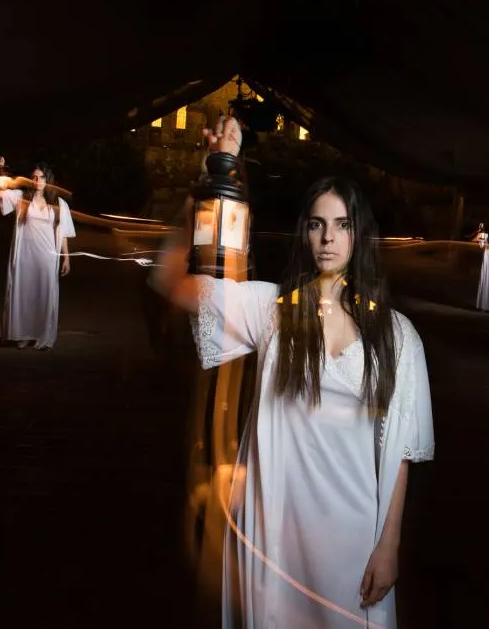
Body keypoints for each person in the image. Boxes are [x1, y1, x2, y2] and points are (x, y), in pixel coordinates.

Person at [149, 117, 435, 628]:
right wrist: (210, 187)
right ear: (304, 233)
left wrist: (388, 545)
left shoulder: (397, 337)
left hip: (353, 539)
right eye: (317, 223)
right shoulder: (272, 312)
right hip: (278, 533)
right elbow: (173, 281)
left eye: (342, 224)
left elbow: (401, 454)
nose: (328, 237)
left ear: (359, 235)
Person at [0, 158, 76, 350]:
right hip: (24, 255)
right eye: (34, 177)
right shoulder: (22, 197)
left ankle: (40, 335)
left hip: (46, 256)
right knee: (24, 293)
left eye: (41, 177)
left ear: (48, 180)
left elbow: (63, 233)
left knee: (43, 294)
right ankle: (22, 334)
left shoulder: (59, 203)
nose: (37, 181)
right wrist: (0, 169)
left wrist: (66, 257)